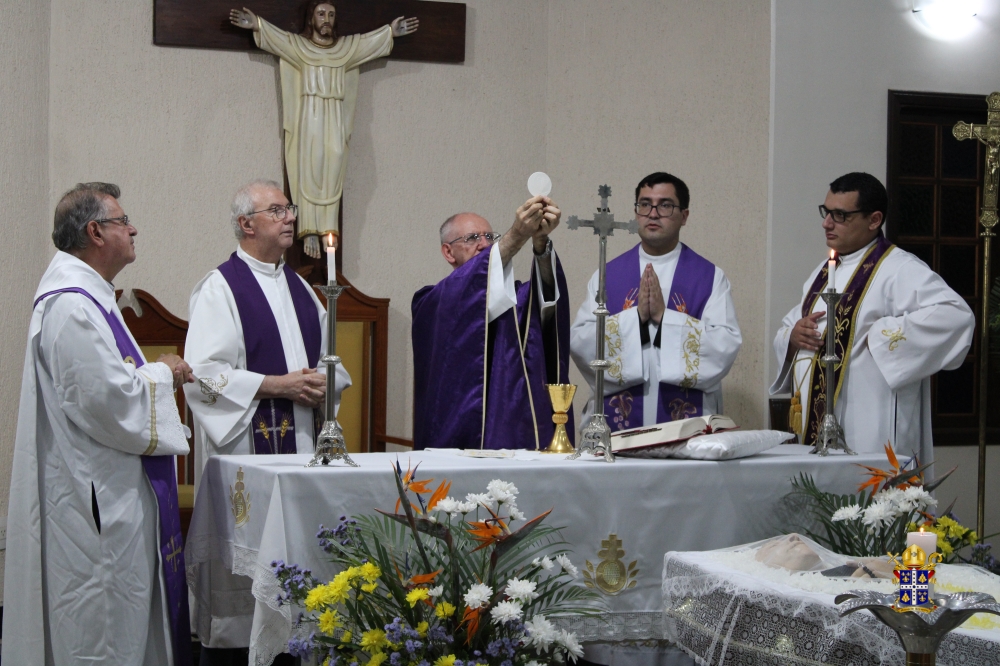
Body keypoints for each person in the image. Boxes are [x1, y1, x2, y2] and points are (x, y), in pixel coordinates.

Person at [3, 183, 194, 665]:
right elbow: (106, 402)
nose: (133, 229)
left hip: (110, 490)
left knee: (124, 622)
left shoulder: (89, 298)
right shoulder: (71, 306)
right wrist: (163, 372)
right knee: (105, 627)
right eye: (123, 221)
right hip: (96, 503)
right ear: (95, 232)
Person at [183, 179, 351, 660]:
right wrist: (278, 385)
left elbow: (329, 361)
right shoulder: (220, 288)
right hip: (246, 452)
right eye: (276, 210)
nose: (290, 217)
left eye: (289, 209)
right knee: (250, 570)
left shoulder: (301, 288)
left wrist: (323, 384)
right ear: (246, 224)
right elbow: (203, 376)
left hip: (302, 443)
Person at [770, 172, 974, 461]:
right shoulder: (823, 272)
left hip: (869, 418)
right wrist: (793, 336)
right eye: (826, 212)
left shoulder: (899, 269)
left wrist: (881, 338)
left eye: (840, 215)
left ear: (874, 219)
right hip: (815, 425)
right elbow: (790, 325)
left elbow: (956, 316)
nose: (827, 223)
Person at [229, 2, 418, 259]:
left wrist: (389, 32)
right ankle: (308, 229)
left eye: (331, 14)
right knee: (311, 166)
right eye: (321, 14)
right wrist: (258, 25)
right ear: (311, 19)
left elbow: (365, 44)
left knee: (335, 164)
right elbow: (280, 39)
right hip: (310, 115)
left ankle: (328, 226)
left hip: (335, 115)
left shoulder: (345, 49)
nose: (326, 18)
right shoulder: (301, 47)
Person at [570, 172, 742, 432]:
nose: (653, 213)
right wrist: (636, 318)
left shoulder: (709, 278)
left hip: (688, 432)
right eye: (645, 204)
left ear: (684, 216)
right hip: (616, 431)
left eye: (665, 205)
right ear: (636, 212)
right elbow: (581, 342)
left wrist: (665, 318)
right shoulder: (607, 276)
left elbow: (725, 346)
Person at [412, 196, 573, 450]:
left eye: (489, 237)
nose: (484, 244)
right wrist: (517, 234)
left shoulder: (515, 298)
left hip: (514, 435)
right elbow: (461, 292)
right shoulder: (431, 302)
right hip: (458, 439)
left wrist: (540, 245)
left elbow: (547, 307)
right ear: (448, 252)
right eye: (472, 238)